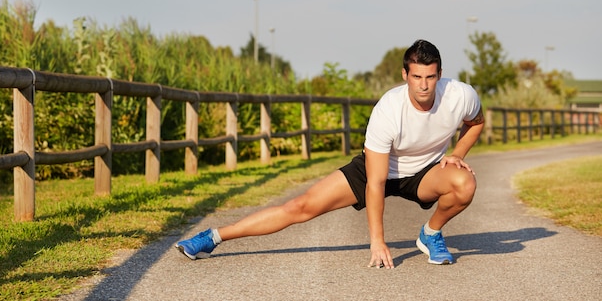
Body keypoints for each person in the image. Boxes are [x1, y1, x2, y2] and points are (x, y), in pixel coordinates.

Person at [176, 39, 484, 268]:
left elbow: (476, 123)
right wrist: (377, 241)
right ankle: (214, 237)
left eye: (430, 77)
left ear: (440, 73)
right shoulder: (388, 110)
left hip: (423, 172)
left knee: (464, 183)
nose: (424, 86)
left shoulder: (460, 95)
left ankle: (431, 234)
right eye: (417, 77)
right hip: (376, 169)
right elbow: (376, 183)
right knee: (300, 206)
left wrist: (457, 152)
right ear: (405, 74)